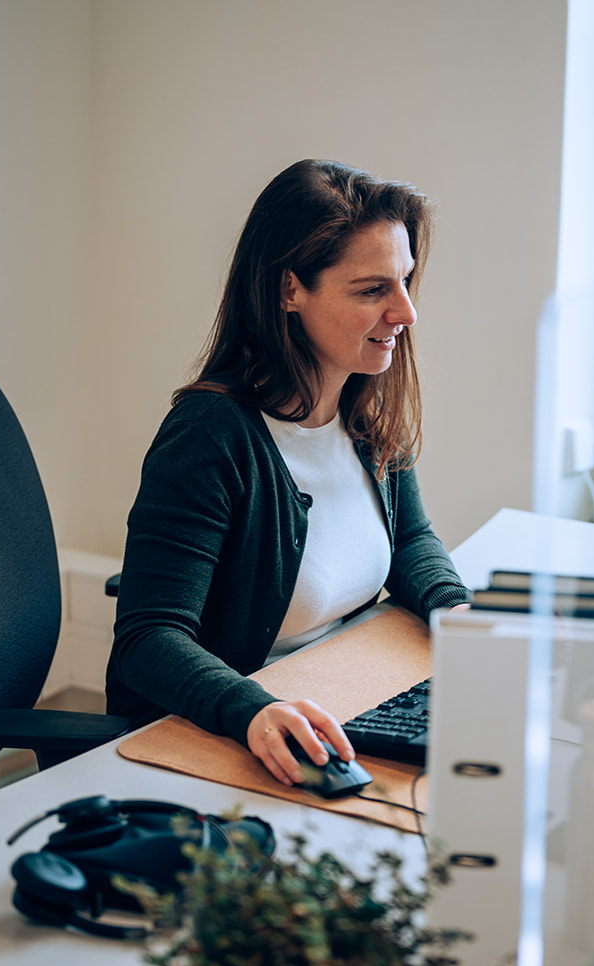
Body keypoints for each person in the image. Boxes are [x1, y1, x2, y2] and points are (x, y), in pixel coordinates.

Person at [106, 159, 470, 787]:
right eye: (371, 290)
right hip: (228, 731)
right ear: (289, 290)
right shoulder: (210, 437)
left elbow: (410, 539)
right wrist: (255, 711)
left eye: (404, 281)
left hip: (342, 690)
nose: (405, 313)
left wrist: (457, 611)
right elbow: (149, 637)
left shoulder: (363, 402)